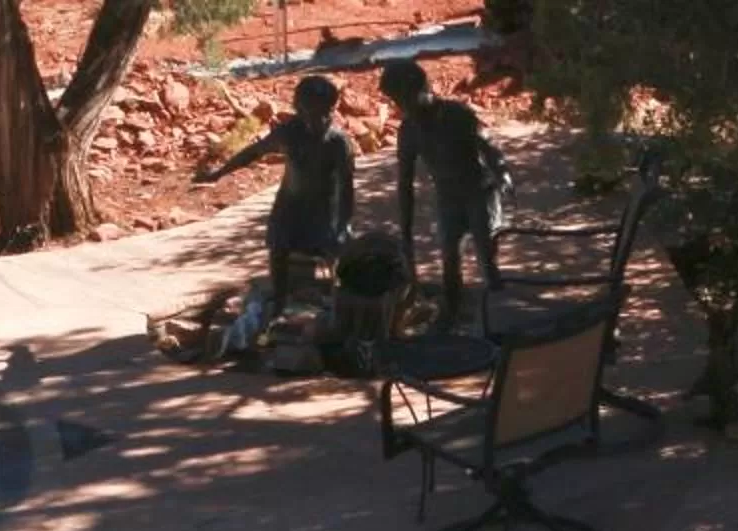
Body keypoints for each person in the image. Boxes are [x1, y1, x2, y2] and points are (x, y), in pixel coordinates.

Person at [198, 74, 357, 310]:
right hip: (290, 206)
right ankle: (280, 302)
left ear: (330, 109)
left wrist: (343, 224)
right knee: (279, 246)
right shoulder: (289, 132)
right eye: (307, 110)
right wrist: (219, 172)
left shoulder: (338, 143)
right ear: (298, 108)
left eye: (321, 112)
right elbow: (254, 152)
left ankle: (339, 304)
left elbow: (346, 188)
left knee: (335, 249)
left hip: (325, 208)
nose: (314, 119)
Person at [378, 56, 507, 331]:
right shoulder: (409, 131)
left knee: (485, 254)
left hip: (479, 191)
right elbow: (404, 182)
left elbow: (487, 146)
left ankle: (498, 312)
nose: (404, 107)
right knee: (449, 255)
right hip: (448, 197)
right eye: (398, 102)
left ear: (424, 89)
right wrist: (405, 230)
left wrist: (502, 173)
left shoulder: (457, 114)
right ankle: (452, 311)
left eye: (407, 98)